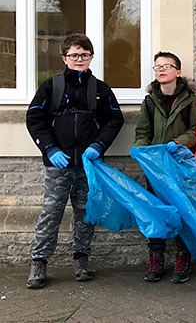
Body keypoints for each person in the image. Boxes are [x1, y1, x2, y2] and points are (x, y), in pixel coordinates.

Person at [25, 35, 124, 289]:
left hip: (87, 165)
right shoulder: (51, 86)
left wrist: (98, 145)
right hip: (58, 163)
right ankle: (39, 262)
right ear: (64, 58)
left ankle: (81, 259)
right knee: (51, 213)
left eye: (84, 55)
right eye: (74, 55)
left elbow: (114, 120)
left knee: (85, 213)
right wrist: (49, 148)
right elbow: (35, 119)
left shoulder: (100, 89)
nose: (79, 59)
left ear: (91, 57)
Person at [133, 51, 196, 283]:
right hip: (154, 168)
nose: (161, 70)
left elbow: (195, 130)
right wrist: (140, 149)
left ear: (177, 72)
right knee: (156, 211)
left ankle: (183, 258)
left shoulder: (190, 100)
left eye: (166, 66)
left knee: (182, 210)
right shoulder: (149, 102)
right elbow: (143, 132)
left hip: (180, 166)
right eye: (157, 67)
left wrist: (178, 143)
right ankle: (156, 256)